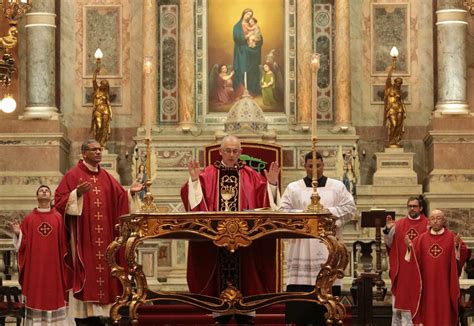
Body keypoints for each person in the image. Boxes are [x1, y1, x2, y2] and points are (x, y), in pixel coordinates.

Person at [180, 135, 280, 325]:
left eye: (235, 151)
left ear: (241, 152)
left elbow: (265, 204)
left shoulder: (251, 174)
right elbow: (193, 202)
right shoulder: (208, 174)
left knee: (246, 276)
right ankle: (219, 313)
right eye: (228, 150)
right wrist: (194, 181)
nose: (232, 154)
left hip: (245, 242)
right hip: (215, 242)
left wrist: (272, 185)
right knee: (218, 284)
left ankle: (246, 313)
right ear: (220, 151)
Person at [54, 139, 143, 325]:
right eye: (93, 150)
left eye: (99, 149)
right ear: (84, 153)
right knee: (87, 275)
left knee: (106, 273)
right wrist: (76, 194)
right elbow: (59, 202)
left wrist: (130, 193)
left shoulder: (107, 177)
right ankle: (85, 319)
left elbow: (120, 199)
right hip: (84, 240)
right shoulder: (73, 175)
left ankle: (103, 316)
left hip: (106, 240)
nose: (98, 152)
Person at [277, 151, 356, 325]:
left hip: (327, 250)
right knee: (301, 314)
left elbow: (350, 208)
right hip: (302, 250)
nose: (314, 169)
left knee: (326, 310)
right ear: (305, 166)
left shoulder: (336, 187)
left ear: (323, 165)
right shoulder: (293, 188)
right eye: (310, 166)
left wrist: (326, 214)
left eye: (318, 165)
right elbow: (283, 212)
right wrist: (306, 216)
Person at [11, 185, 73, 325]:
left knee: (55, 294)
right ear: (37, 196)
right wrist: (17, 233)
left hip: (55, 267)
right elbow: (23, 245)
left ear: (50, 196)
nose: (44, 192)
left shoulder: (58, 218)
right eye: (41, 190)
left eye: (46, 191)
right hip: (35, 268)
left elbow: (65, 244)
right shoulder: (29, 219)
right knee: (36, 295)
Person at [404, 209, 468, 326]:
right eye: (432, 218)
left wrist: (457, 246)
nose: (435, 221)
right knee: (428, 315)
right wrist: (409, 247)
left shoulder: (451, 237)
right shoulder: (421, 239)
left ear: (443, 221)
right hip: (427, 286)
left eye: (438, 218)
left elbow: (463, 252)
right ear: (429, 221)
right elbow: (412, 259)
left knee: (446, 314)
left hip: (446, 285)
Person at [384, 196, 428, 326]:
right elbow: (389, 243)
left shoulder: (428, 224)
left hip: (421, 271)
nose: (412, 209)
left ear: (421, 208)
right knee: (402, 303)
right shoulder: (399, 224)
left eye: (415, 206)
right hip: (403, 271)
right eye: (410, 206)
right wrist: (387, 230)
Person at [232, 8, 263, 97]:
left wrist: (257, 39)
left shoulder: (252, 24)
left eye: (250, 15)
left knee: (252, 70)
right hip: (241, 51)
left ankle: (252, 90)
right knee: (242, 70)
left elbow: (259, 36)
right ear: (243, 14)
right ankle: (241, 91)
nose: (249, 16)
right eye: (247, 14)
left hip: (251, 51)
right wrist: (247, 37)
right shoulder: (237, 26)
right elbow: (237, 38)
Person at [91, 61, 113, 148]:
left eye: (105, 85)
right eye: (103, 84)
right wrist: (96, 71)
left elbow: (108, 103)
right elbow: (93, 80)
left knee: (105, 127)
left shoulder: (106, 94)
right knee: (99, 126)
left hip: (105, 110)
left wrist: (110, 113)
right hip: (97, 110)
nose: (103, 86)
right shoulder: (96, 90)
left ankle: (102, 143)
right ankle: (97, 142)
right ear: (101, 84)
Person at [384, 64, 406, 147]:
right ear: (395, 82)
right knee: (394, 124)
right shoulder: (389, 88)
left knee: (399, 125)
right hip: (391, 109)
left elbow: (402, 102)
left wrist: (405, 112)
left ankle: (396, 141)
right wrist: (391, 70)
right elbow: (388, 79)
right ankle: (391, 140)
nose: (398, 84)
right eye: (397, 82)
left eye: (400, 83)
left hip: (399, 109)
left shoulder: (399, 91)